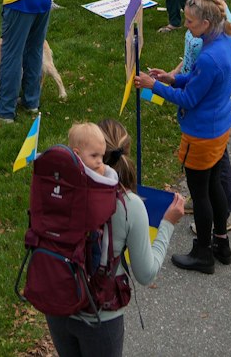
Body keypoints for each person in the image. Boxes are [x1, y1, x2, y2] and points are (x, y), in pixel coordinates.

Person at [40, 119, 184, 355]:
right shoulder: (129, 205)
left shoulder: (59, 188)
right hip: (100, 314)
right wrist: (167, 224)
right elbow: (146, 273)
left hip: (57, 304)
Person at [136, 0, 231, 274]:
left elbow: (190, 99)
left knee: (200, 194)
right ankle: (222, 243)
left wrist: (155, 86)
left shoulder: (209, 57)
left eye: (190, 22)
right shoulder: (224, 41)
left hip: (201, 135)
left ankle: (203, 253)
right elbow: (198, 81)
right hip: (220, 128)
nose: (186, 25)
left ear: (206, 23)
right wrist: (173, 78)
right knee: (214, 185)